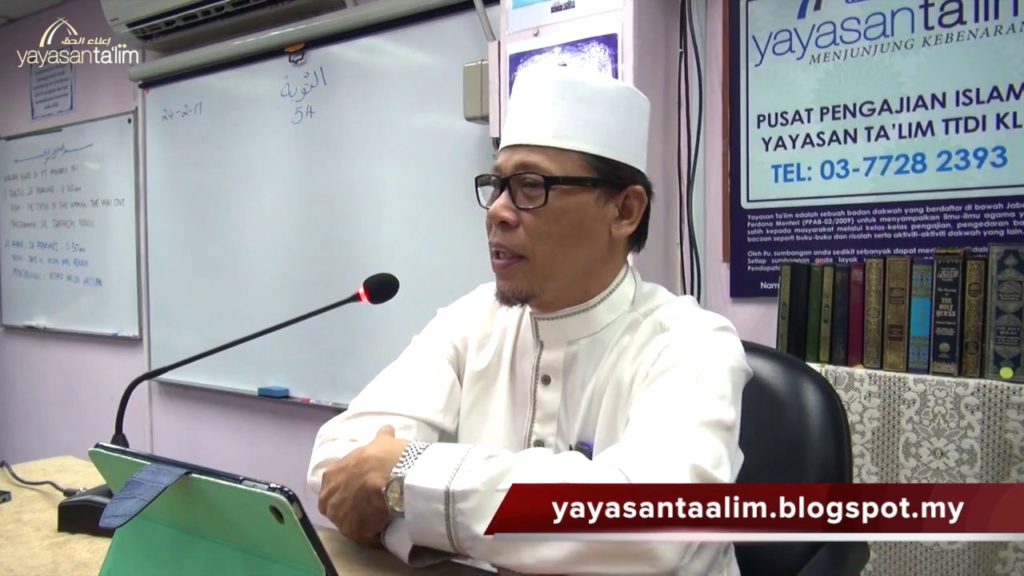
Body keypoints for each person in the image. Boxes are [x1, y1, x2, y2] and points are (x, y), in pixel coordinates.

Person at [308, 67, 752, 576]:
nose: (497, 211)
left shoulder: (692, 343)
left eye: (530, 186)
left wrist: (408, 476)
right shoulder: (471, 321)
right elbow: (337, 466)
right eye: (497, 185)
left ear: (625, 211)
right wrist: (438, 511)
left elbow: (648, 522)